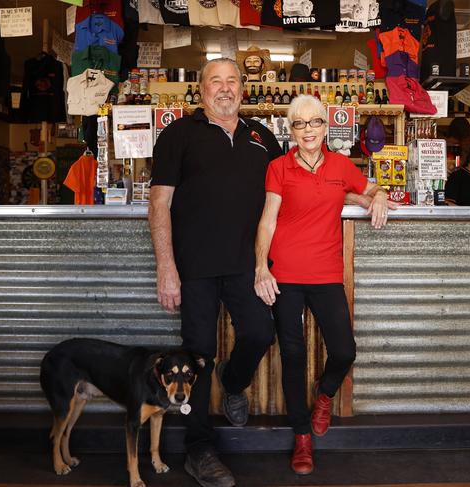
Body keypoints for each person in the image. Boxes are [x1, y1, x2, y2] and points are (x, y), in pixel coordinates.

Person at [149, 58, 283, 487]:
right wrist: (166, 268)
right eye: (215, 81)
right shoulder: (178, 134)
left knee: (261, 333)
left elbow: (294, 187)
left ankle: (234, 378)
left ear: (243, 88)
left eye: (232, 81)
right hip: (196, 268)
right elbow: (159, 204)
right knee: (198, 355)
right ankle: (199, 448)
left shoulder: (262, 137)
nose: (224, 88)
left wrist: (365, 190)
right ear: (201, 89)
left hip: (248, 264)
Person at [253, 94, 393, 475]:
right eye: (299, 124)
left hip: (326, 274)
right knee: (293, 356)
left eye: (314, 122)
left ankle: (325, 393)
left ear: (326, 126)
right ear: (291, 130)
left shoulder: (341, 165)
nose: (308, 130)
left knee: (345, 350)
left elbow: (364, 188)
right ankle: (301, 436)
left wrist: (377, 196)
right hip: (284, 274)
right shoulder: (278, 167)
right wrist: (260, 269)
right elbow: (268, 218)